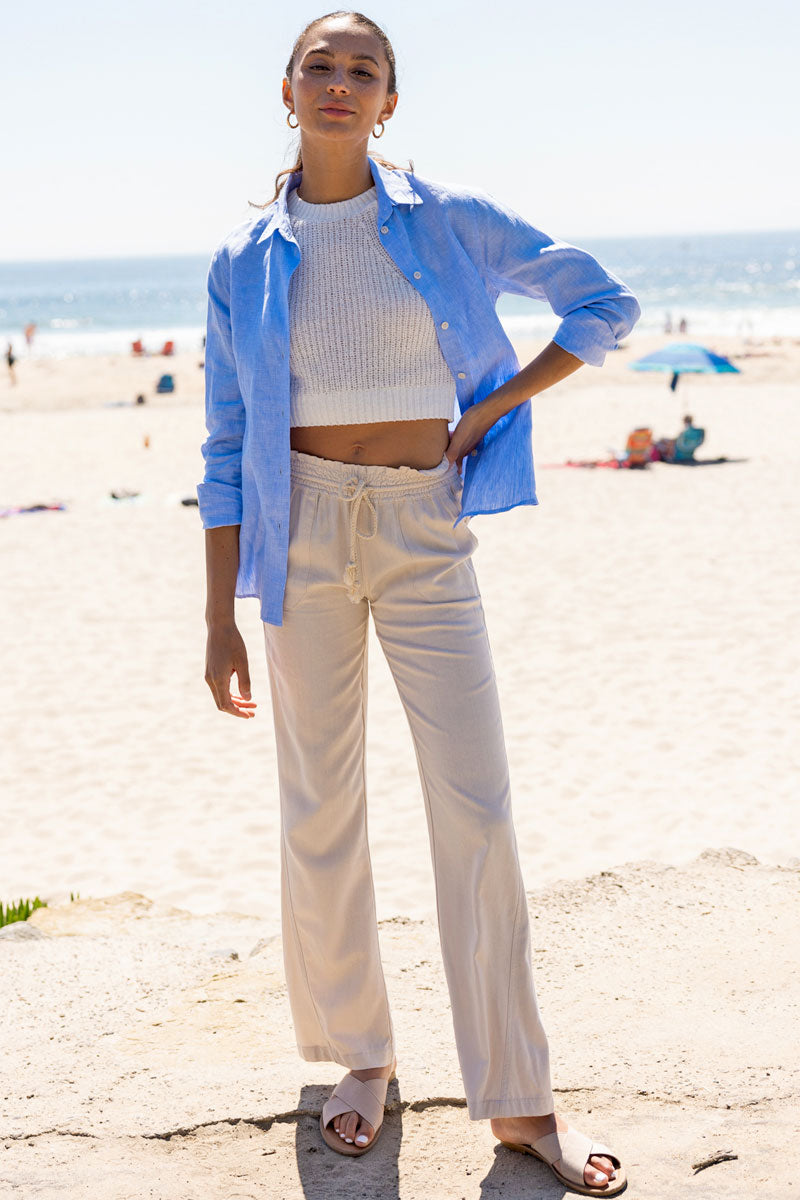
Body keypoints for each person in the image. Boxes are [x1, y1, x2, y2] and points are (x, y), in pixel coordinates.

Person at [198, 12, 639, 1195]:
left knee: (477, 812)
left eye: (364, 70)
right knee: (319, 808)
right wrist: (215, 614)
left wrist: (490, 412)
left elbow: (601, 306)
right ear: (284, 90)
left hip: (420, 528)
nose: (339, 83)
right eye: (320, 65)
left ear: (388, 102)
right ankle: (361, 1061)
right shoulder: (243, 258)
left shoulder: (443, 218)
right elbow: (230, 442)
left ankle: (518, 1098)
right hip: (299, 544)